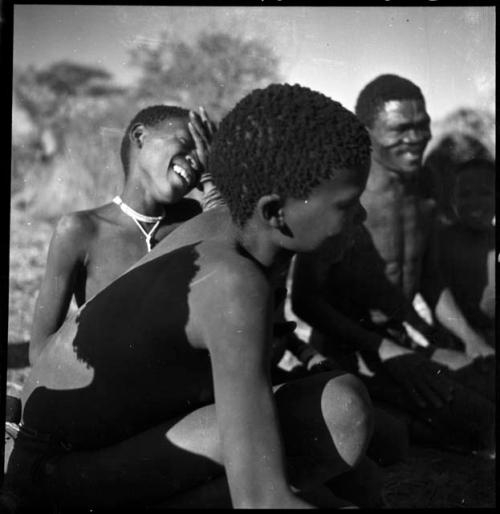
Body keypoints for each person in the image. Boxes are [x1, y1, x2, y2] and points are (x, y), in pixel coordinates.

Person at [2, 83, 375, 511]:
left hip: (102, 446)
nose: (361, 216)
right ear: (274, 212)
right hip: (56, 471)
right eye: (347, 205)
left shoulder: (227, 221)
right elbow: (262, 501)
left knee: (348, 438)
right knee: (342, 414)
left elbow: (223, 192)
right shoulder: (232, 282)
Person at [292, 74, 495, 456]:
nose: (416, 138)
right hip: (351, 349)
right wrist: (384, 350)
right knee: (481, 419)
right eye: (401, 129)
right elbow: (305, 300)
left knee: (488, 380)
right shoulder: (340, 193)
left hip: (404, 344)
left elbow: (430, 277)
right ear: (366, 132)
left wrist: (470, 338)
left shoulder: (426, 183)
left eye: (423, 125)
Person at [28, 104, 217, 365]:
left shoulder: (193, 220)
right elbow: (40, 349)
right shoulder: (81, 230)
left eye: (204, 153)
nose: (197, 159)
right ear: (140, 136)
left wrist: (211, 178)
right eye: (186, 142)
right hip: (109, 390)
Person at [438, 158, 495, 344]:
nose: (475, 202)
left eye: (485, 193)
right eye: (465, 194)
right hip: (460, 339)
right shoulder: (444, 242)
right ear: (452, 199)